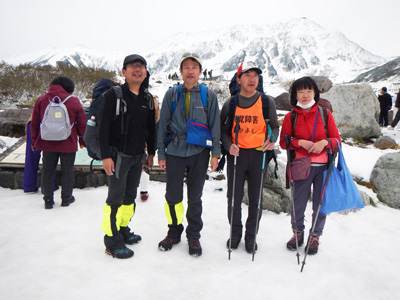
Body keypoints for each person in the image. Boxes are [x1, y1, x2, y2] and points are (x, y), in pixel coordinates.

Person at [157, 52, 221, 257]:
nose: (190, 70)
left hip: (199, 152)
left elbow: (215, 126)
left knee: (195, 196)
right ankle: (174, 231)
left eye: (194, 67)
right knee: (173, 196)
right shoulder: (171, 94)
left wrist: (215, 154)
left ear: (200, 71)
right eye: (186, 67)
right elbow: (162, 126)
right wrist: (161, 153)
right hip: (175, 151)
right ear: (181, 71)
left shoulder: (208, 95)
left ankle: (193, 234)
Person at [98, 54, 155, 259]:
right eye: (133, 66)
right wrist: (105, 156)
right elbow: (103, 127)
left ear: (145, 72)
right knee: (115, 198)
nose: (137, 69)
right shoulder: (113, 95)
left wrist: (151, 153)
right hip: (118, 156)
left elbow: (150, 128)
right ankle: (111, 241)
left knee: (129, 197)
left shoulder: (147, 98)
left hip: (137, 156)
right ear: (124, 72)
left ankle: (122, 229)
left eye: (141, 66)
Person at [220, 61, 279, 253]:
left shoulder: (266, 102)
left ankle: (251, 235)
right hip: (237, 156)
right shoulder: (231, 103)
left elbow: (275, 127)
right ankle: (235, 232)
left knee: (256, 199)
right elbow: (222, 131)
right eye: (247, 75)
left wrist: (271, 140)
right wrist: (229, 146)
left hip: (258, 155)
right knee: (234, 198)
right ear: (239, 79)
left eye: (255, 75)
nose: (252, 79)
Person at [279, 76, 341, 255]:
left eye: (308, 91)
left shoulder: (324, 113)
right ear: (295, 95)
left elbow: (337, 141)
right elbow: (284, 143)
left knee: (320, 204)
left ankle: (315, 237)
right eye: (300, 91)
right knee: (297, 203)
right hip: (301, 167)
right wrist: (300, 143)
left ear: (315, 93)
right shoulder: (291, 116)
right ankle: (297, 234)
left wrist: (325, 143)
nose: (305, 95)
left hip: (323, 168)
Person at [30, 76, 86, 209]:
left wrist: (34, 140)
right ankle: (66, 198)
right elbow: (82, 123)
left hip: (47, 143)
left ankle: (48, 200)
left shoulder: (42, 99)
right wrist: (83, 140)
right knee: (68, 171)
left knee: (47, 171)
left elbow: (35, 123)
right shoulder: (73, 101)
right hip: (68, 142)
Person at [139, 94, 160, 201]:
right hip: (146, 137)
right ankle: (143, 190)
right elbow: (156, 120)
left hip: (141, 137)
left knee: (143, 166)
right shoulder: (152, 99)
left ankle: (143, 190)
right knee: (144, 166)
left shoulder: (148, 98)